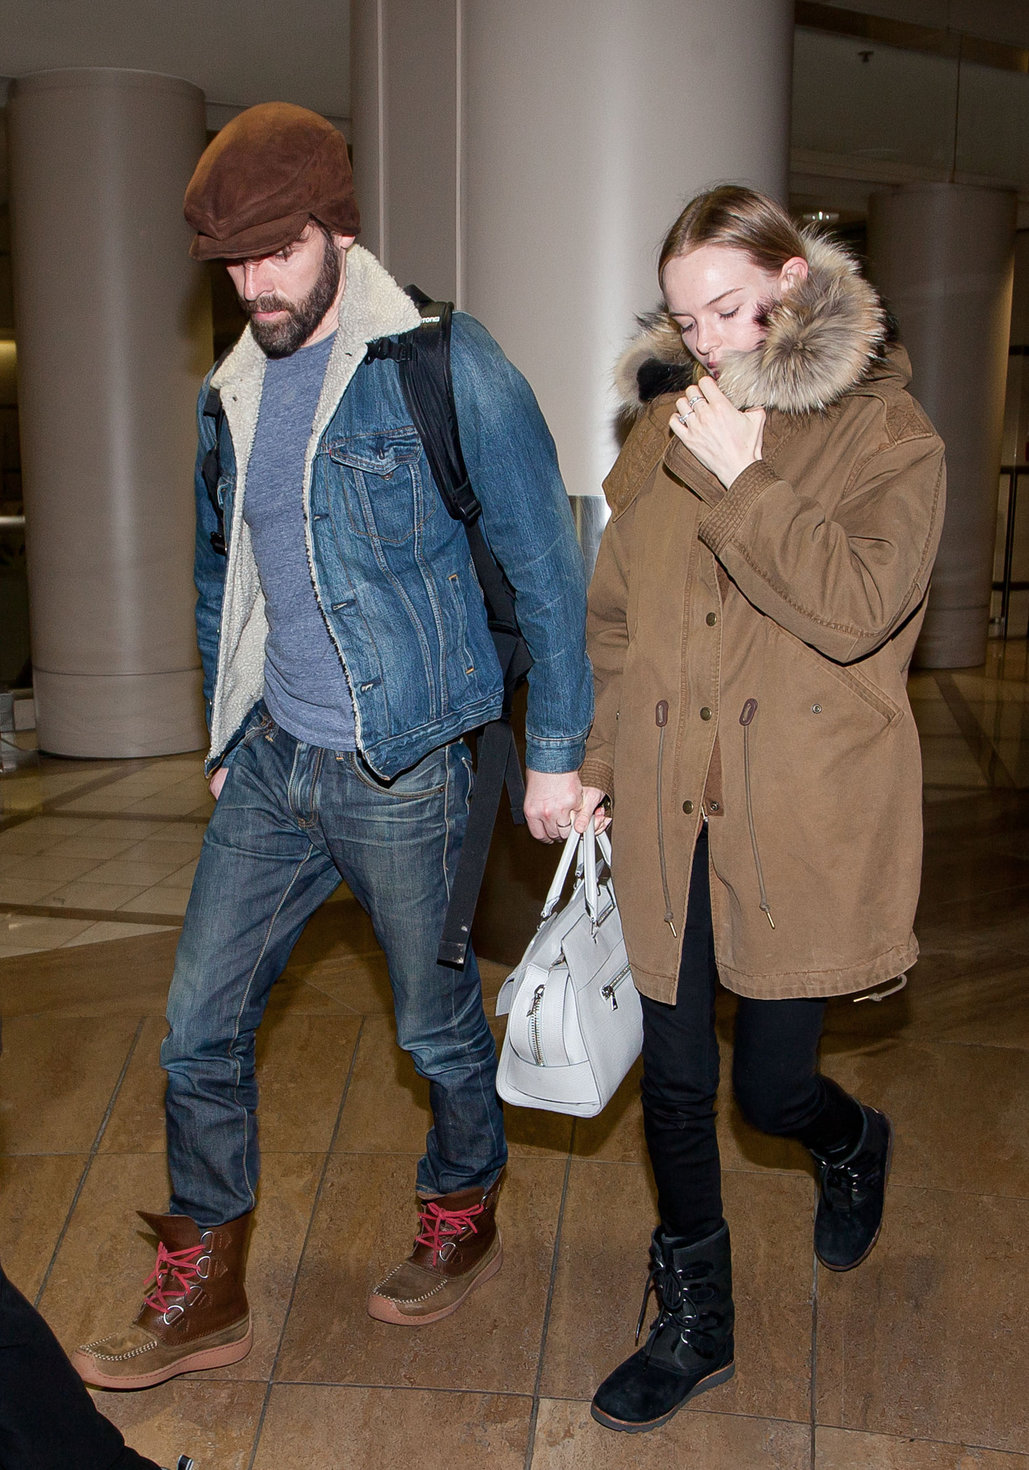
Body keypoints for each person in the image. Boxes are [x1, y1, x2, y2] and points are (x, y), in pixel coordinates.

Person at [71, 102, 594, 1392]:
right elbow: (222, 567)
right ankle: (208, 1287)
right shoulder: (231, 390)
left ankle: (462, 1205)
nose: (255, 287)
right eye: (234, 265)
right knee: (196, 1024)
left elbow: (544, 567)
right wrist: (222, 725)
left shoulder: (444, 362)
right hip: (272, 766)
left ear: (337, 230)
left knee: (431, 1030)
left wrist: (556, 754)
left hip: (405, 764)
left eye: (276, 255)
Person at [575, 185, 945, 1434]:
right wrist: (590, 763)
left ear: (793, 285)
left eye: (728, 310)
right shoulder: (665, 432)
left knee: (767, 1094)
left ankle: (846, 1141)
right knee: (675, 1084)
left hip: (798, 817)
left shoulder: (893, 440)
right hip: (671, 809)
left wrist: (746, 481)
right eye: (686, 321)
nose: (708, 344)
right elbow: (616, 615)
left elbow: (855, 610)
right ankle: (697, 1322)